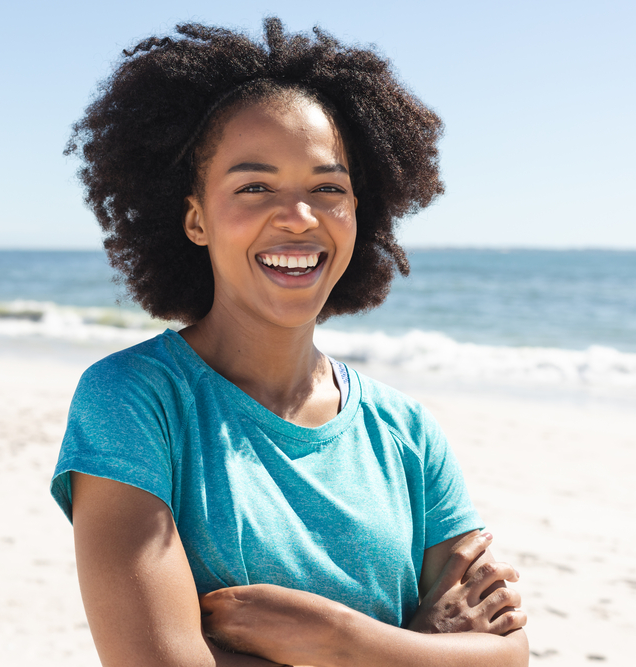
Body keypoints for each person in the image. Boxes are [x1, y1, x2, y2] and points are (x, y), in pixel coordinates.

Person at [52, 18, 529, 666]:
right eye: (255, 186)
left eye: (328, 188)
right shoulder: (134, 403)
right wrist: (417, 645)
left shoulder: (408, 433)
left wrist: (338, 636)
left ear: (361, 211)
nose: (299, 216)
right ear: (195, 217)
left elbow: (508, 654)